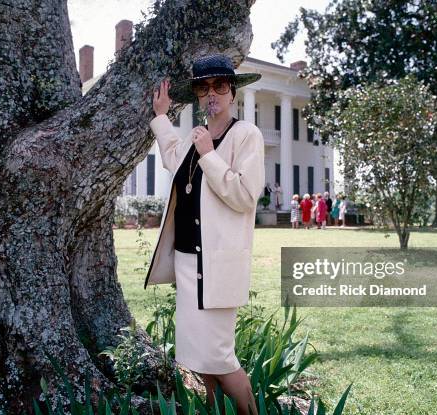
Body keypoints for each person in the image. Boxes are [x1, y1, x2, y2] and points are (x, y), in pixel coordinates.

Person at [147, 54, 263, 415]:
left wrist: (210, 156)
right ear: (197, 95)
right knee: (200, 361)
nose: (211, 93)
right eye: (203, 87)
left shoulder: (246, 135)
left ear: (232, 92)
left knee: (222, 359)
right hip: (186, 263)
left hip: (217, 267)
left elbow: (244, 195)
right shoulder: (195, 137)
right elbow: (169, 153)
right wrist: (162, 116)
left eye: (219, 85)